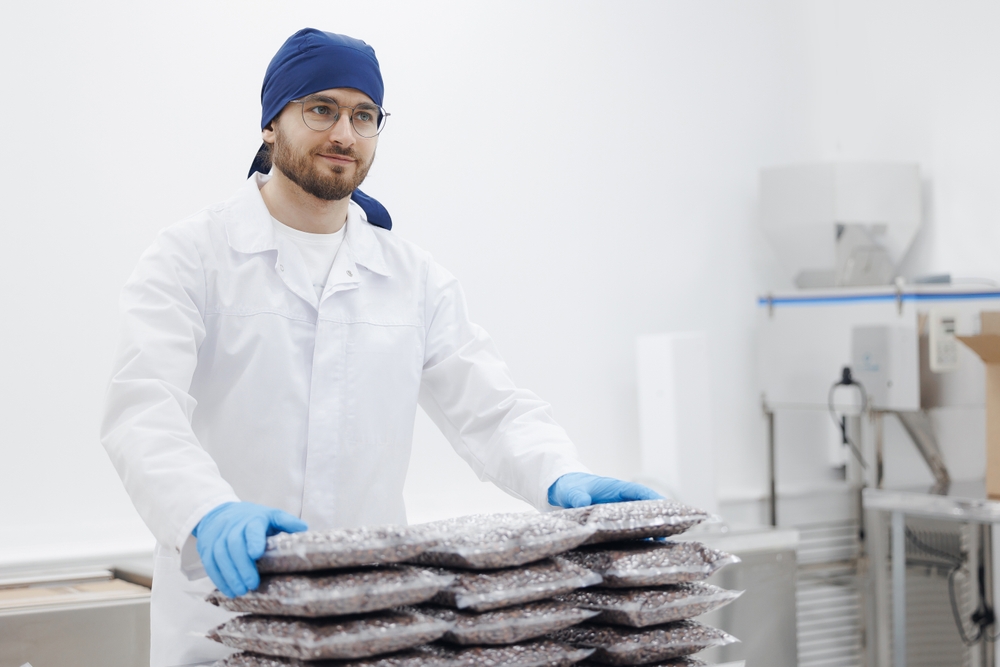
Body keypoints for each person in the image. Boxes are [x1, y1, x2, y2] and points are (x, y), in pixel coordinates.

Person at [100, 28, 661, 667]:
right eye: (321, 109)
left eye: (364, 115)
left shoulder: (411, 277)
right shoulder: (191, 256)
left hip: (371, 623)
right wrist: (207, 511)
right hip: (220, 616)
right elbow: (142, 410)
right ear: (270, 123)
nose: (345, 133)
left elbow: (492, 410)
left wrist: (562, 474)